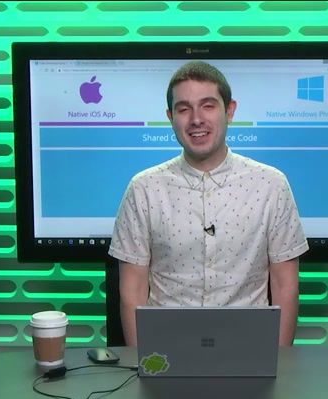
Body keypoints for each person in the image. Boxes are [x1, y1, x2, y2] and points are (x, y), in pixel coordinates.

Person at [109, 60, 308, 347]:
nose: (196, 119)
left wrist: (280, 362)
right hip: (165, 353)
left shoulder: (271, 185)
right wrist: (144, 364)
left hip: (250, 350)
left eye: (208, 106)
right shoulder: (144, 189)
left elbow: (285, 286)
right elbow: (133, 292)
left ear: (230, 111)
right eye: (184, 109)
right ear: (170, 117)